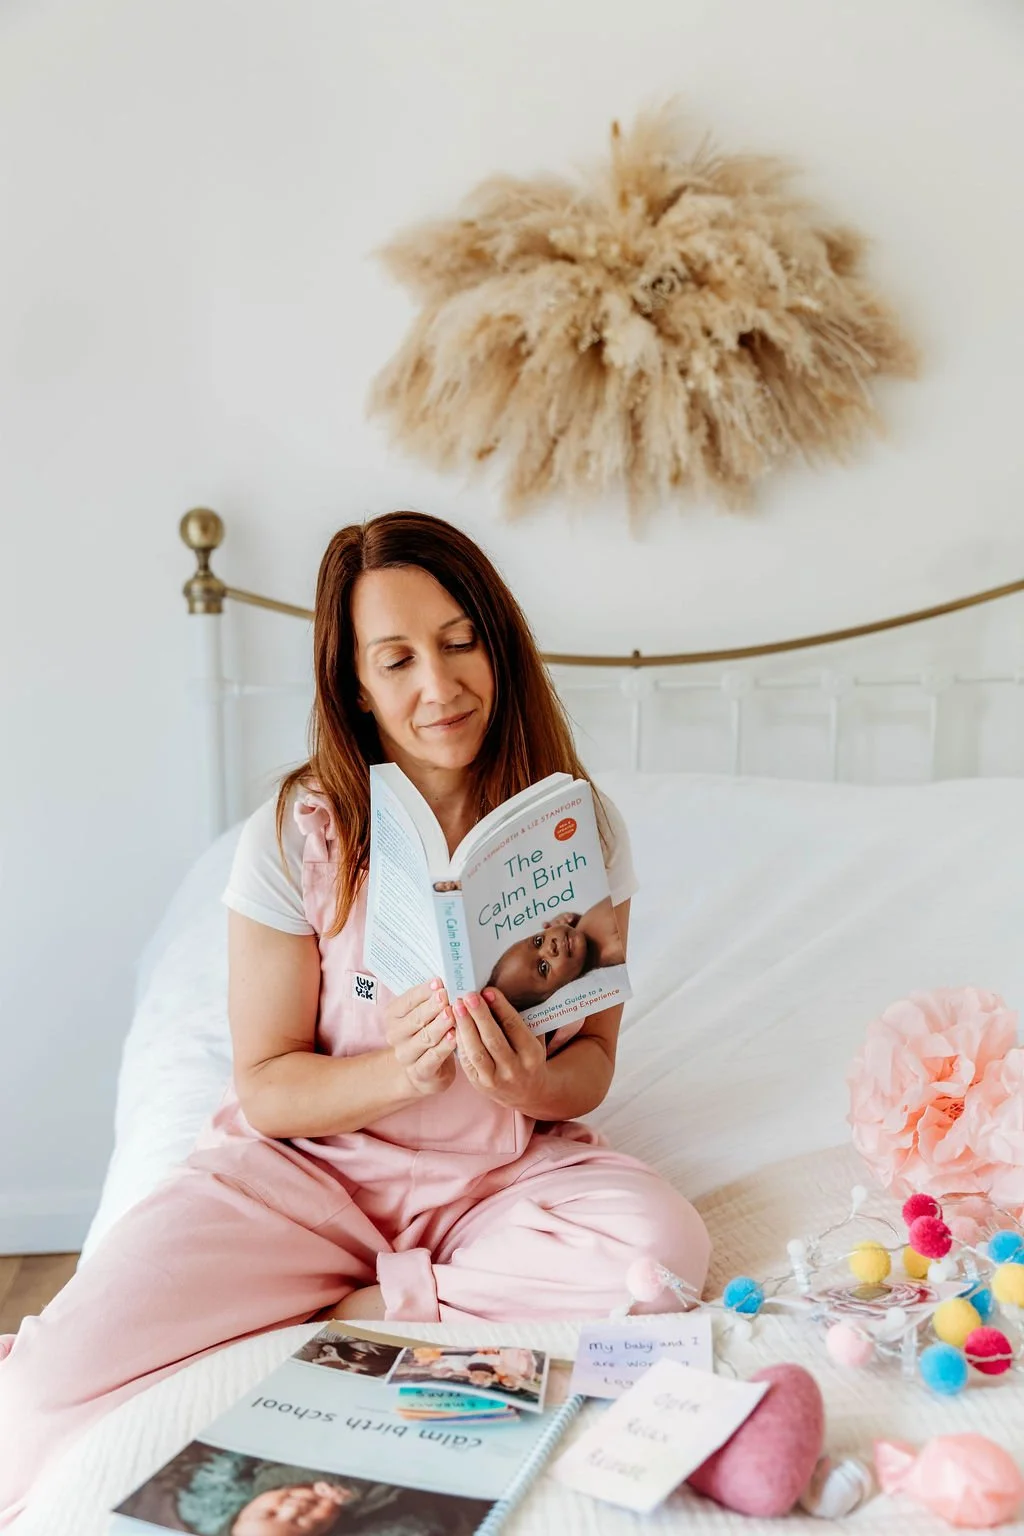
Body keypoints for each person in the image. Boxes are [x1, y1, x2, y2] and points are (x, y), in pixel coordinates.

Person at [0, 511, 711, 1526]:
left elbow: (591, 1060)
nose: (440, 685)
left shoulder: (577, 829)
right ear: (356, 686)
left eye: (461, 641)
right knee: (35, 1391)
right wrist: (399, 1074)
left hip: (494, 1180)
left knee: (659, 1254)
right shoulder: (299, 836)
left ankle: (368, 1311)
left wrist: (530, 1085)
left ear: (498, 645)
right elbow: (267, 1083)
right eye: (398, 659)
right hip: (300, 1182)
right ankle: (373, 1293)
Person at [486, 898, 627, 1011]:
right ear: (556, 995)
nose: (550, 946)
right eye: (543, 967)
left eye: (538, 941)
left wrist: (576, 920)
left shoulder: (580, 930)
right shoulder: (609, 952)